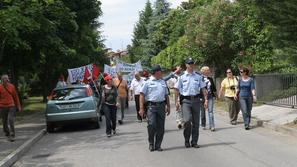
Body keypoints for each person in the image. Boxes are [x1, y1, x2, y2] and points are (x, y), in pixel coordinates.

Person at [175, 58, 208, 148]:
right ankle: (186, 140)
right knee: (187, 120)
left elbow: (203, 88)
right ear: (186, 65)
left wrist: (206, 100)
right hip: (185, 101)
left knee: (196, 122)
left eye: (192, 63)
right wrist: (176, 102)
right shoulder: (181, 76)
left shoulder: (198, 76)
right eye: (189, 63)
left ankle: (194, 142)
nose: (191, 65)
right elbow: (177, 89)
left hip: (196, 100)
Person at [139, 65, 170, 152]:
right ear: (156, 72)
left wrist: (168, 106)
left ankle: (158, 145)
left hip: (161, 106)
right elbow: (142, 95)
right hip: (151, 106)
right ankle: (151, 143)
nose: (162, 73)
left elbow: (166, 95)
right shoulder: (147, 82)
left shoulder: (163, 82)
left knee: (161, 127)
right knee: (152, 124)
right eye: (161, 71)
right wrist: (141, 108)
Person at [0, 74, 22, 142]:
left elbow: (15, 96)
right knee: (4, 122)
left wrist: (18, 106)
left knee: (10, 119)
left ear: (8, 79)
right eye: (4, 79)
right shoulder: (0, 87)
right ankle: (7, 133)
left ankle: (12, 134)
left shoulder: (11, 86)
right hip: (2, 106)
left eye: (6, 79)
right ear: (2, 80)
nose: (5, 80)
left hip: (11, 106)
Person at [200, 66, 217, 131]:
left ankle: (212, 125)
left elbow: (214, 88)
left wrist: (216, 95)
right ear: (203, 71)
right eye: (207, 70)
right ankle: (203, 124)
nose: (208, 71)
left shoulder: (210, 79)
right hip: (202, 96)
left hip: (210, 96)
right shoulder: (200, 78)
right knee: (203, 111)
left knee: (210, 111)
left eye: (208, 70)